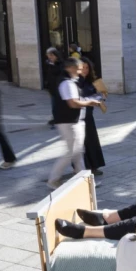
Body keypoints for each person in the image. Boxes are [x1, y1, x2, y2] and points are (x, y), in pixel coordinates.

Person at [47, 58, 97, 188]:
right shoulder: (67, 83)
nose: (81, 72)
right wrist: (90, 102)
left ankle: (85, 182)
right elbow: (73, 103)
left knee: (78, 152)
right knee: (72, 152)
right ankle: (53, 180)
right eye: (79, 69)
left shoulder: (69, 82)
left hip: (72, 121)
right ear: (70, 68)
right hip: (69, 122)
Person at [77, 57, 106, 175]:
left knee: (92, 141)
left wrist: (101, 96)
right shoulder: (76, 82)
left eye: (87, 68)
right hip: (78, 117)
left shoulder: (90, 81)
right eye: (82, 67)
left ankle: (93, 166)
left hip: (88, 115)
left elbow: (96, 94)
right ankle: (83, 168)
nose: (85, 70)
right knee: (83, 142)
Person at [44, 47, 64, 127]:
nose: (50, 57)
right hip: (52, 88)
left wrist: (52, 65)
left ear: (56, 55)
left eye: (52, 55)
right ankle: (56, 118)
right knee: (54, 104)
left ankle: (58, 118)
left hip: (59, 88)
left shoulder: (60, 64)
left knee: (58, 104)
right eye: (48, 55)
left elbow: (57, 73)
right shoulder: (49, 64)